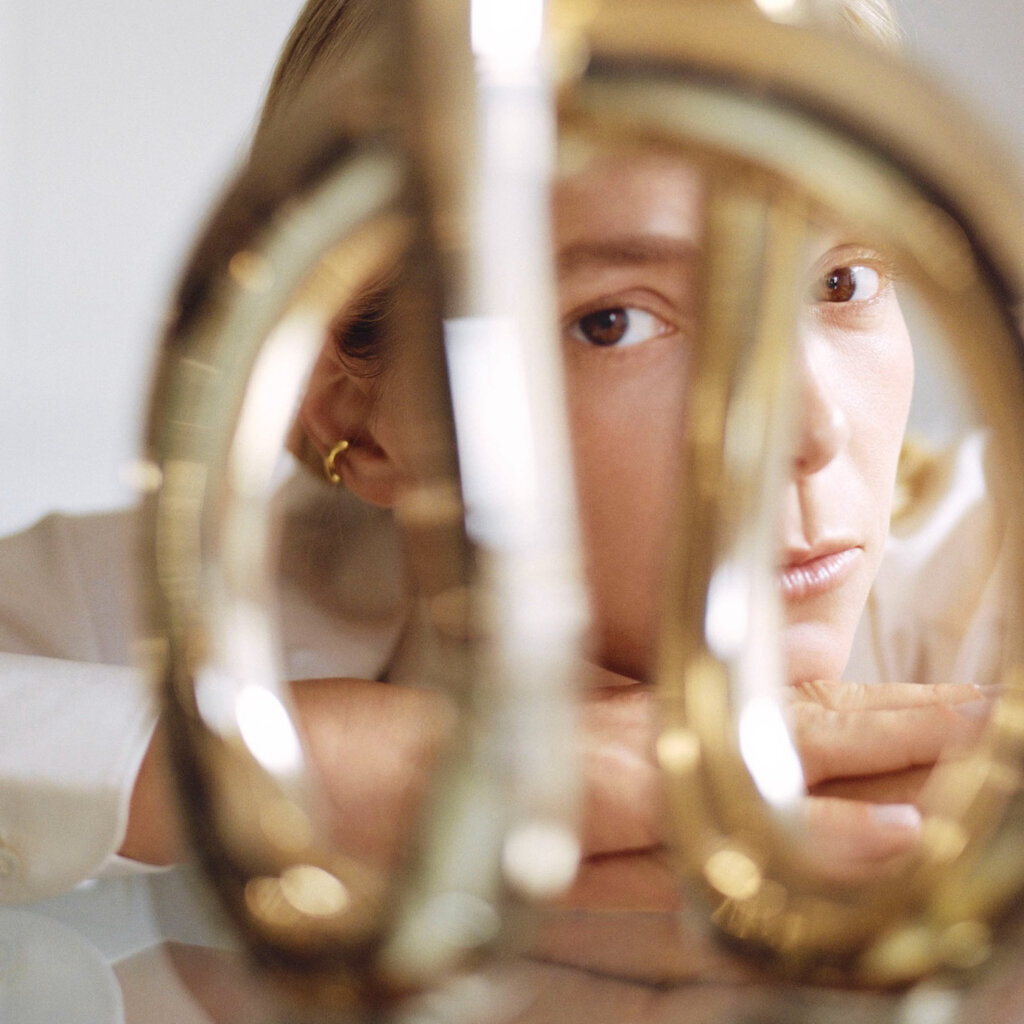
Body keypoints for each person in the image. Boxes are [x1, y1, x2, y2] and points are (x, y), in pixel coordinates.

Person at [0, 0, 997, 951]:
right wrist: (361, 769)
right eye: (614, 322)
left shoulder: (990, 560)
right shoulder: (176, 605)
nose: (811, 428)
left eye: (843, 280)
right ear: (356, 415)